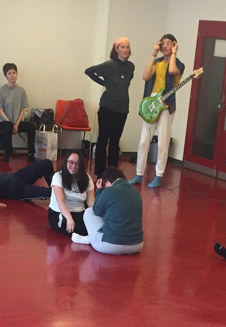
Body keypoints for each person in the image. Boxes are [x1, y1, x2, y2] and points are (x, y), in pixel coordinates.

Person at [131, 34, 185, 189]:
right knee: (143, 140)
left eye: (169, 43)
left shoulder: (179, 64)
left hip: (167, 103)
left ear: (174, 45)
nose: (165, 46)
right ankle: (139, 174)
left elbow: (172, 70)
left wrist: (174, 53)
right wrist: (153, 54)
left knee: (162, 142)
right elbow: (145, 76)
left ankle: (158, 176)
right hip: (152, 102)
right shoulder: (157, 62)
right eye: (163, 44)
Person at [85, 37, 135, 179]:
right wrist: (105, 83)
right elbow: (88, 71)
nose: (125, 50)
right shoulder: (109, 65)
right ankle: (100, 173)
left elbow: (127, 80)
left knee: (115, 142)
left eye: (127, 47)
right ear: (116, 49)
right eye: (122, 47)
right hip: (107, 108)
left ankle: (113, 174)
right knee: (103, 140)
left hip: (122, 109)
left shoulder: (130, 67)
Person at [71, 167, 143, 255]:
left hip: (110, 245)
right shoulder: (136, 192)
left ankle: (90, 238)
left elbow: (97, 211)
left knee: (89, 211)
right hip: (137, 245)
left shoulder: (109, 190)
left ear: (107, 181)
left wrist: (99, 190)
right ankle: (91, 238)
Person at [48, 151, 94, 237]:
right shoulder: (58, 176)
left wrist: (97, 215)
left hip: (79, 212)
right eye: (71, 162)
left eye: (77, 163)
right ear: (66, 162)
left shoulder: (87, 178)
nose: (74, 166)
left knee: (92, 227)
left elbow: (91, 202)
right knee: (77, 228)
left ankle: (86, 236)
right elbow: (61, 201)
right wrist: (69, 219)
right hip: (59, 212)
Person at [0, 63, 35, 163]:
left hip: (17, 121)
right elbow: (1, 110)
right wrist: (10, 123)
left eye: (14, 73)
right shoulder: (1, 91)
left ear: (17, 74)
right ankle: (7, 154)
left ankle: (31, 154)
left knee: (31, 127)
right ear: (6, 76)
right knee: (8, 127)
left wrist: (16, 124)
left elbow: (22, 109)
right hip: (4, 120)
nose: (12, 75)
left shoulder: (21, 91)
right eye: (9, 73)